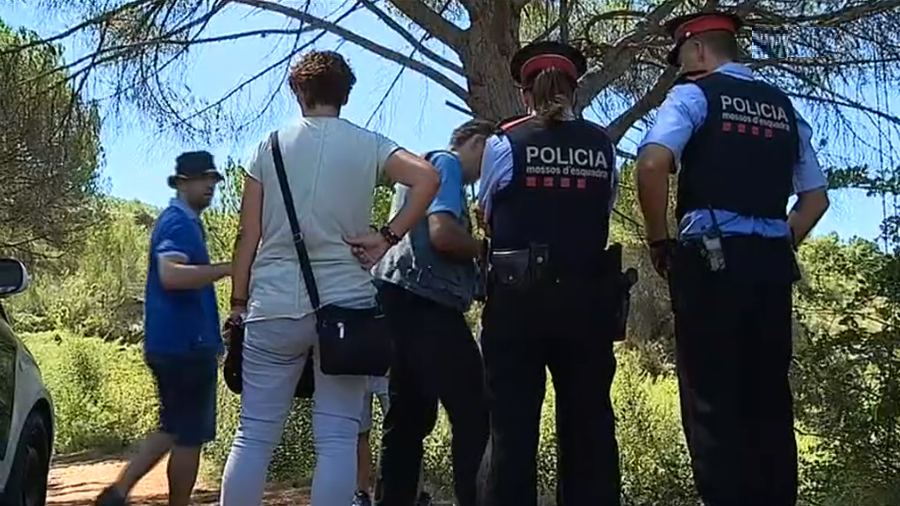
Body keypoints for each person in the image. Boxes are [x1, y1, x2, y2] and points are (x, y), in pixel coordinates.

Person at [220, 50, 440, 506]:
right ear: (345, 95)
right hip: (348, 311)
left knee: (254, 436)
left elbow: (248, 235)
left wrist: (238, 305)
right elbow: (428, 177)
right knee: (338, 438)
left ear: (299, 92)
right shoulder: (370, 145)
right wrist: (388, 236)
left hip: (273, 305)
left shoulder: (269, 147)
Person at [634, 12, 830, 506]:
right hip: (770, 265)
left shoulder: (694, 95)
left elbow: (653, 162)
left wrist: (660, 240)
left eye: (680, 56)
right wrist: (780, 241)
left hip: (710, 263)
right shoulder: (784, 108)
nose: (680, 66)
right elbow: (815, 199)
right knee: (768, 399)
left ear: (697, 50)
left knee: (710, 402)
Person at [476, 41, 622, 506]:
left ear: (525, 94)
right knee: (590, 428)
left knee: (511, 429)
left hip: (517, 300)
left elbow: (488, 214)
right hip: (588, 300)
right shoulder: (603, 145)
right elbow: (604, 206)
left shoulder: (505, 141)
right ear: (574, 92)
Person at [371, 119, 495, 506]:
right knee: (474, 410)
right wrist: (484, 249)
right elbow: (442, 234)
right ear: (477, 143)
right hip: (427, 303)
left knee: (408, 417)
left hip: (398, 297)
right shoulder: (448, 164)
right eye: (491, 154)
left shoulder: (422, 168)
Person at [95, 152, 230, 506]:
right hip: (185, 345)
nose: (210, 188)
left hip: (175, 343)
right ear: (183, 183)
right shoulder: (178, 223)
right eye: (204, 181)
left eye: (213, 181)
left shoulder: (183, 222)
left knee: (173, 426)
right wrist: (227, 269)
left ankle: (118, 491)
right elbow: (171, 275)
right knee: (189, 434)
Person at [353, 376, 430, 506]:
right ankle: (362, 493)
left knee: (406, 432)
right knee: (360, 435)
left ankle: (418, 494)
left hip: (386, 371)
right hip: (365, 371)